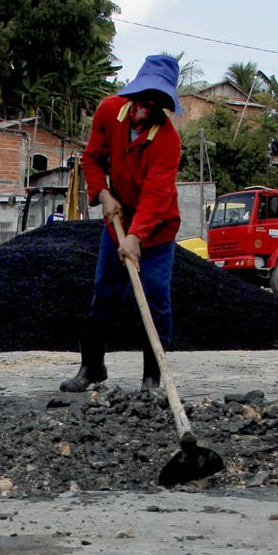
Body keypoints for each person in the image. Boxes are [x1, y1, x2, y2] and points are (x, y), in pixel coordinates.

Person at [60, 54, 184, 395]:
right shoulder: (109, 112)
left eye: (156, 103)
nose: (146, 108)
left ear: (164, 106)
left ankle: (151, 378)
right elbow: (92, 157)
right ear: (133, 95)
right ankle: (92, 367)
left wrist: (136, 237)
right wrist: (101, 191)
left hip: (156, 231)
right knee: (105, 293)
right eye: (143, 100)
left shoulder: (168, 141)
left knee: (155, 296)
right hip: (116, 220)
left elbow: (157, 196)